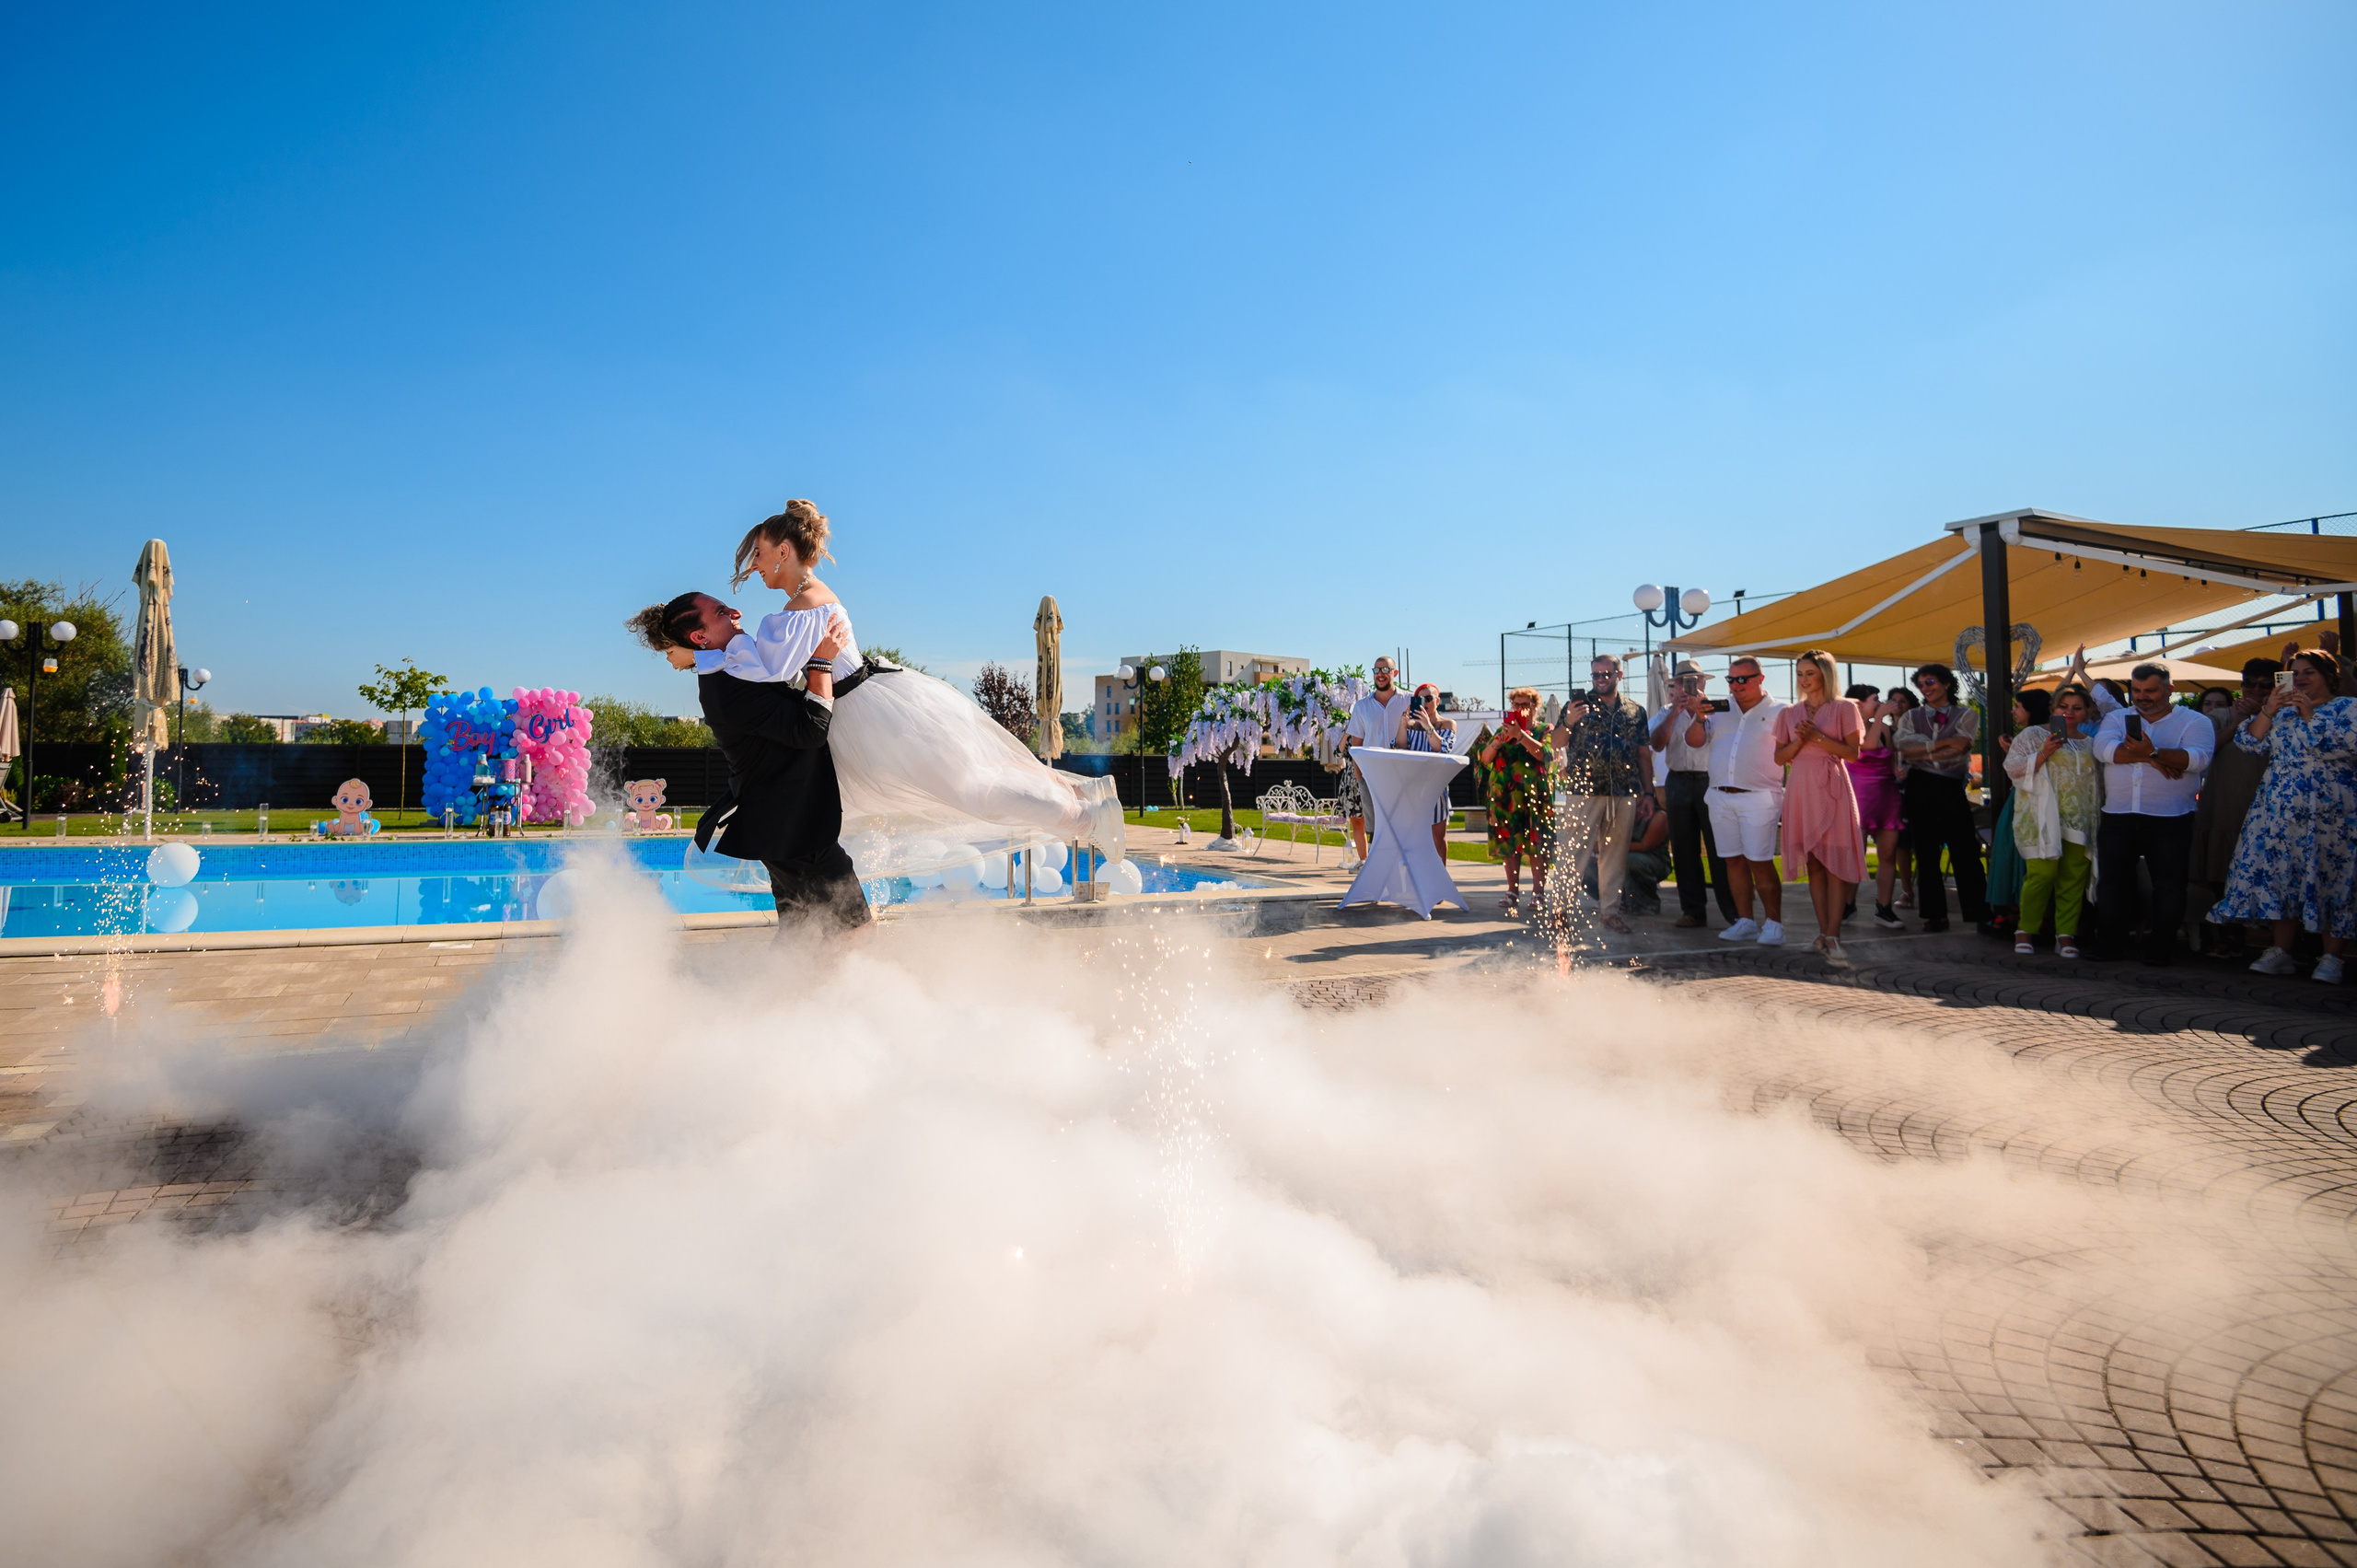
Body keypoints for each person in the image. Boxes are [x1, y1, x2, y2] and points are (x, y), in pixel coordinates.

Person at [667, 502, 1124, 868]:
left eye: (761, 555)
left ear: (783, 551)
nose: (755, 567)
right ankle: (1080, 796)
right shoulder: (799, 606)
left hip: (873, 714)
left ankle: (1085, 817)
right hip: (863, 707)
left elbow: (763, 668)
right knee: (972, 776)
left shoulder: (802, 609)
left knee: (971, 787)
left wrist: (697, 654)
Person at [632, 595, 869, 932]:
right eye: (720, 612)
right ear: (701, 637)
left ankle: (777, 984)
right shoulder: (727, 689)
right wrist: (820, 663)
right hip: (792, 828)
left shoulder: (736, 669)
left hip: (781, 828)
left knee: (803, 936)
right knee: (854, 930)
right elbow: (810, 730)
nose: (734, 612)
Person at [2215, 649, 2355, 983]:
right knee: (2282, 875)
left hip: (2331, 811)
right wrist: (2269, 708)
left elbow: (2344, 745)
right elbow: (2248, 744)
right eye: (2296, 672)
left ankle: (2332, 957)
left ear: (2328, 675)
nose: (2302, 678)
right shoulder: (2282, 713)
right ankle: (2281, 952)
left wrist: (2310, 715)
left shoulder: (2347, 707)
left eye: (2310, 672)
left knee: (2330, 877)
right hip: (2279, 809)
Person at [2089, 662, 2214, 966]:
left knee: (2169, 885)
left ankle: (2160, 950)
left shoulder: (2195, 721)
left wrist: (2152, 753)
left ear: (2170, 689)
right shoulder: (2118, 717)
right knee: (2112, 883)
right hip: (2119, 814)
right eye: (2136, 690)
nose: (2142, 696)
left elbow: (2197, 760)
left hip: (2171, 817)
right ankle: (2110, 945)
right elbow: (2104, 751)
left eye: (2150, 690)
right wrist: (2159, 759)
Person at [1685, 656, 1786, 946]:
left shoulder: (1781, 711)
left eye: (1743, 679)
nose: (1736, 686)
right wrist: (1700, 717)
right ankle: (1745, 921)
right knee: (1732, 861)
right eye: (1731, 680)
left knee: (1761, 862)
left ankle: (1774, 924)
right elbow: (1693, 741)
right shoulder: (1718, 709)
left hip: (1759, 796)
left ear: (1760, 679)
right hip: (1719, 795)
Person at [1771, 650, 1864, 967]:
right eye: (1800, 673)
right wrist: (1801, 741)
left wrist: (1818, 737)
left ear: (1825, 674)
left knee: (1835, 861)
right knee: (1814, 863)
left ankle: (1834, 933)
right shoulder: (1789, 713)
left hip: (1833, 784)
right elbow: (1780, 758)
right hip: (1800, 786)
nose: (1804, 679)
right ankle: (1822, 933)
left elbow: (1852, 753)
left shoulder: (1845, 709)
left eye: (1809, 673)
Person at [2188, 656, 2282, 958]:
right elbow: (2206, 750)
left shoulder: (2288, 714)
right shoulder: (2219, 716)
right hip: (2225, 806)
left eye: (2266, 685)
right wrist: (2238, 723)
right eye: (2249, 684)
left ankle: (2285, 944)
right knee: (2221, 871)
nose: (2256, 690)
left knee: (2278, 873)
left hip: (2273, 809)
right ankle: (2232, 936)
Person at [1553, 654, 1652, 935]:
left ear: (1619, 675)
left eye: (1606, 674)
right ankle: (1561, 910)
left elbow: (1643, 753)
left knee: (1615, 855)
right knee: (1574, 852)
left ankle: (1609, 911)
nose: (1601, 679)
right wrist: (1569, 722)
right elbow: (1556, 743)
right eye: (1596, 675)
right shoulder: (1577, 706)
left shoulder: (1635, 710)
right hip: (1585, 790)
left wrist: (1649, 793)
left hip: (1624, 791)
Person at [2004, 684, 2100, 959]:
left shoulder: (2091, 743)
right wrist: (2044, 753)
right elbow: (2012, 768)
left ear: (2086, 712)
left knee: (2073, 877)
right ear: (2053, 709)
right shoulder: (2034, 735)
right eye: (2063, 707)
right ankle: (2025, 930)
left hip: (2079, 818)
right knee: (2041, 874)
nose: (2069, 712)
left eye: (2077, 708)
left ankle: (2065, 934)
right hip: (2042, 817)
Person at [1652, 660, 1742, 930]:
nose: (1690, 685)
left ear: (1704, 683)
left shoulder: (1719, 711)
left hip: (1711, 781)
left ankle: (1734, 912)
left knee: (1721, 849)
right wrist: (1674, 713)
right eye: (1684, 681)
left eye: (1695, 680)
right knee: (1683, 849)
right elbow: (1656, 744)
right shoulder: (1667, 711)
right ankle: (1693, 911)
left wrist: (1699, 711)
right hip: (1678, 780)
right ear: (1676, 685)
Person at [1893, 663, 1983, 934]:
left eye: (1930, 682)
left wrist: (1920, 750)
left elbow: (1962, 749)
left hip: (1952, 786)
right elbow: (1902, 749)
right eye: (1920, 684)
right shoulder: (1911, 717)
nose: (1925, 688)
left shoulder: (1967, 714)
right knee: (1926, 852)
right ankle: (1934, 915)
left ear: (1946, 683)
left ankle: (1979, 911)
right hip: (1920, 787)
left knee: (1965, 849)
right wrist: (1944, 743)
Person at [1480, 686, 1557, 916]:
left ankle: (1538, 892)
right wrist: (1498, 743)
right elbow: (1485, 759)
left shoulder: (1544, 729)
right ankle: (1512, 891)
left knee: (1537, 847)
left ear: (1535, 708)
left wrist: (1520, 736)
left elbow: (1545, 755)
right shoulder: (1502, 731)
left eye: (1525, 705)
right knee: (1509, 846)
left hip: (1535, 797)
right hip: (1505, 798)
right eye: (1517, 705)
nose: (1521, 709)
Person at [1845, 683, 1905, 929]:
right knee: (1854, 856)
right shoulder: (1848, 729)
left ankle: (1884, 908)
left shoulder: (1883, 731)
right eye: (1875, 699)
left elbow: (1891, 757)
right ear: (1858, 704)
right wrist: (1880, 718)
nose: (1880, 704)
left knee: (1888, 854)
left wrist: (1899, 771)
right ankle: (1847, 905)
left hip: (1887, 796)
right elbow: (1865, 746)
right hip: (1859, 798)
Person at [1341, 656, 1411, 862]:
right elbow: (1356, 746)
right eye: (1376, 670)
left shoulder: (1408, 700)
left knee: (1402, 826)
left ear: (1394, 673)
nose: (1380, 674)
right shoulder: (1362, 706)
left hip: (1402, 774)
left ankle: (1401, 871)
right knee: (1375, 829)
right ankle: (1376, 870)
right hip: (1371, 777)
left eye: (1385, 669)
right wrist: (1360, 779)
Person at [1391, 682, 1459, 860]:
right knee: (1412, 836)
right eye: (1420, 699)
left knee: (1437, 836)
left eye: (1428, 698)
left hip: (1435, 786)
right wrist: (1403, 724)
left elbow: (1441, 748)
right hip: (1412, 786)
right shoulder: (1412, 725)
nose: (1425, 702)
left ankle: (1440, 877)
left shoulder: (1447, 724)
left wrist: (1428, 726)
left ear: (1437, 701)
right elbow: (1400, 746)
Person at [1882, 686, 1920, 910]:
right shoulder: (1884, 731)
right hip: (1893, 794)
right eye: (1893, 700)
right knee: (1900, 846)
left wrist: (1912, 769)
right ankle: (1907, 891)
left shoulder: (1921, 729)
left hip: (1919, 790)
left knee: (1923, 844)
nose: (1898, 704)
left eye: (1902, 700)